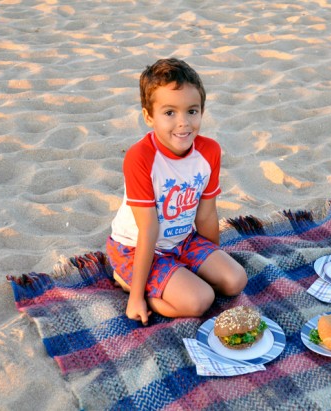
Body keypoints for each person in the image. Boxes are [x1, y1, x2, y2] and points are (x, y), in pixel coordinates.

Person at [106, 58, 247, 325]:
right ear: (149, 116)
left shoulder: (209, 151)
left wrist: (210, 258)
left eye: (192, 111)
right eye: (169, 113)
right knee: (199, 301)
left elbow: (206, 214)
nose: (183, 123)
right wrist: (136, 298)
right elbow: (148, 229)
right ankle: (128, 281)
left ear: (202, 111)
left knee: (234, 280)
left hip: (183, 239)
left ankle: (182, 279)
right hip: (137, 248)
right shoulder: (140, 158)